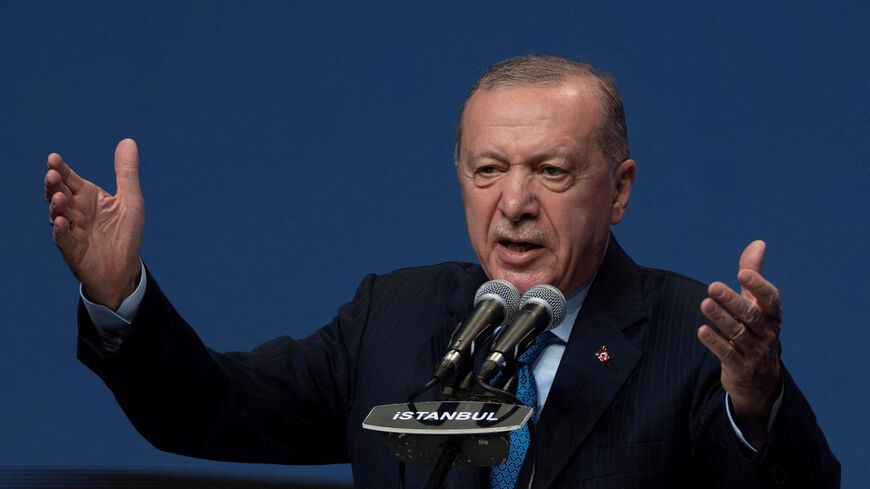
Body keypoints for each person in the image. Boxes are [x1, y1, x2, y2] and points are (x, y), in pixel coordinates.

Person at [45, 56, 839, 488]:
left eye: (552, 171)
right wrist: (120, 296)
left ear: (619, 189)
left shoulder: (694, 339)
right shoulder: (393, 315)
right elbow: (210, 411)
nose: (515, 203)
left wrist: (758, 400)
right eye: (488, 169)